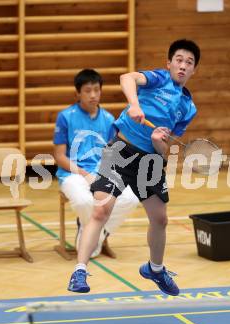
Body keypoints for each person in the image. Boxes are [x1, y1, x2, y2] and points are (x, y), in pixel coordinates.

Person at [68, 39, 200, 295]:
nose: (183, 66)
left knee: (160, 219)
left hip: (150, 160)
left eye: (189, 63)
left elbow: (164, 148)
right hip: (121, 150)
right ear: (169, 63)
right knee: (100, 211)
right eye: (179, 60)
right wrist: (135, 104)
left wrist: (157, 142)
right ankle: (80, 271)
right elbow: (127, 77)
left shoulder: (187, 107)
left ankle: (156, 269)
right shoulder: (158, 79)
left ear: (194, 70)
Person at [53, 69, 139, 259]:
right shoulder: (65, 116)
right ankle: (97, 235)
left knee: (131, 198)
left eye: (96, 90)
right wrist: (85, 174)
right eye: (87, 91)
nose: (93, 95)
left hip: (102, 172)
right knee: (85, 201)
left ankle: (95, 234)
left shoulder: (108, 119)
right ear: (77, 93)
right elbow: (59, 156)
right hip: (73, 174)